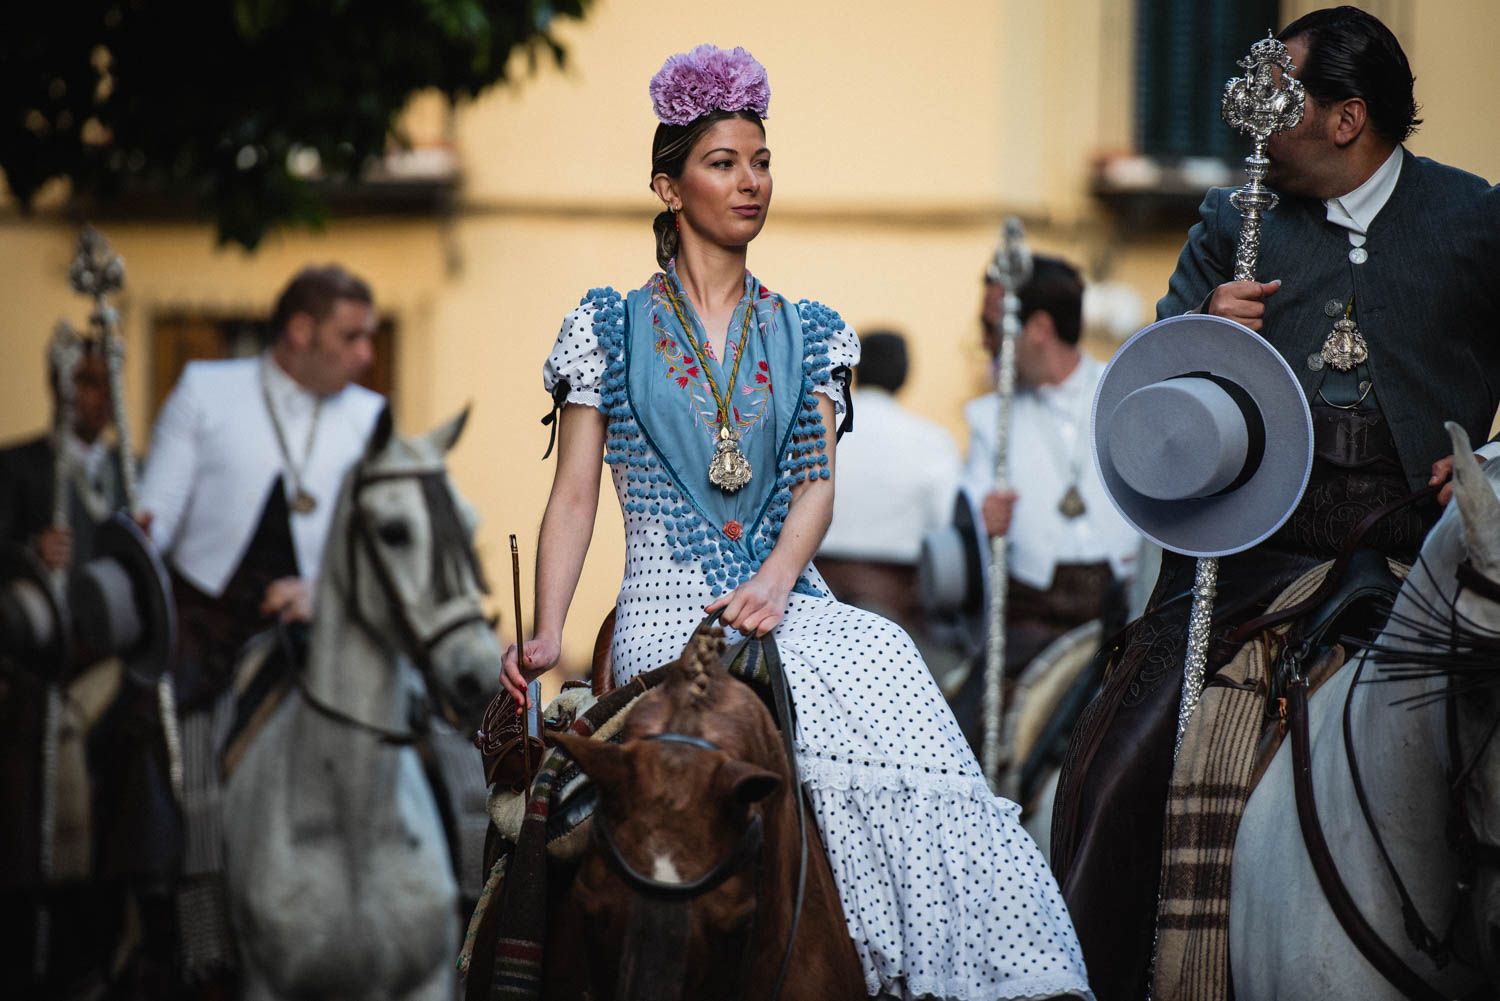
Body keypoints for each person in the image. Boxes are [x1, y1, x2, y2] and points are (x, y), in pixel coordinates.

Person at [501, 44, 1091, 1001]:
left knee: (886, 655)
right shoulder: (604, 327)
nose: (751, 182)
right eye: (723, 162)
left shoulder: (811, 330)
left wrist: (777, 580)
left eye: (762, 161)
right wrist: (546, 629)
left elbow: (817, 487)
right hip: (665, 604)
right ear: (668, 186)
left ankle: (927, 966)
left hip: (787, 598)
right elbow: (573, 494)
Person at [1050, 9, 1500, 1000]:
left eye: (1281, 99)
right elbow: (1149, 387)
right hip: (1253, 551)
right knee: (1120, 757)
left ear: (1346, 119)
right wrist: (1203, 329)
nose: (1255, 124)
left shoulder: (1477, 220)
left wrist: (1490, 462)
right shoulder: (1232, 219)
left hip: (1428, 551)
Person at [136, 263, 384, 985]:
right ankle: (192, 938)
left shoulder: (369, 415)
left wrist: (327, 592)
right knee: (174, 754)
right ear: (300, 332)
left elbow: (385, 546)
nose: (367, 354)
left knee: (437, 729)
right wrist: (136, 534)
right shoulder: (206, 390)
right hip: (209, 630)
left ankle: (450, 903)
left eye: (370, 337)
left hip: (327, 628)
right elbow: (155, 520)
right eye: (351, 337)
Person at [816, 330, 960, 633]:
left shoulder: (818, 430)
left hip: (814, 589)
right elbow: (945, 524)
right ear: (905, 374)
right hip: (896, 605)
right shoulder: (931, 440)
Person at [0, 339, 126, 570]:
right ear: (59, 386)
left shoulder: (126, 471)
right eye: (89, 383)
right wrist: (32, 551)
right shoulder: (16, 466)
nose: (105, 395)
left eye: (111, 382)